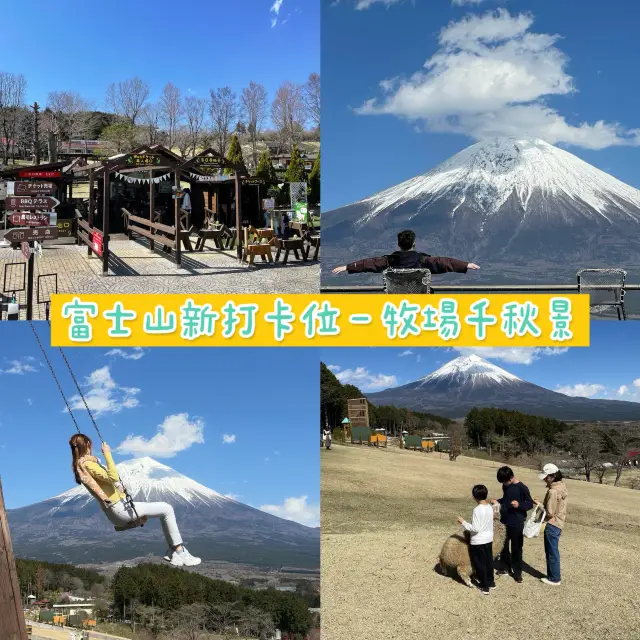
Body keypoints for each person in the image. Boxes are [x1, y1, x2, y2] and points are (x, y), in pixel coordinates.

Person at [69, 433, 201, 567]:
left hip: (114, 514)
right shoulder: (88, 465)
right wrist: (107, 454)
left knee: (164, 510)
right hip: (119, 509)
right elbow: (113, 476)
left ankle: (174, 551)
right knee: (167, 508)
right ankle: (179, 551)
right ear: (88, 445)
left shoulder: (81, 466)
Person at [331, 229, 480, 276]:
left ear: (398, 244)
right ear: (414, 243)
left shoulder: (390, 260)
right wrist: (465, 264)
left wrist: (348, 267)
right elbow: (444, 262)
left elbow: (369, 263)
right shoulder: (422, 260)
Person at [491, 466, 533, 583]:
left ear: (511, 477)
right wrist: (498, 501)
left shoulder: (522, 488)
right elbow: (506, 500)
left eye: (505, 481)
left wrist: (519, 505)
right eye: (502, 482)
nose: (504, 484)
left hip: (517, 522)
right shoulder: (505, 485)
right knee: (503, 546)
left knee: (516, 548)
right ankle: (504, 567)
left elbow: (529, 504)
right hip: (504, 521)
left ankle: (517, 572)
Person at [457, 484, 496, 595]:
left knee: (480, 563)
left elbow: (475, 528)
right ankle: (491, 582)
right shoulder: (489, 507)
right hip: (488, 539)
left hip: (478, 541)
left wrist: (463, 522)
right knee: (488, 561)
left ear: (474, 497)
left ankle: (484, 587)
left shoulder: (477, 510)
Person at [534, 463, 568, 586]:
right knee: (553, 551)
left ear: (553, 476)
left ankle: (554, 578)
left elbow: (549, 512)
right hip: (559, 523)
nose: (544, 479)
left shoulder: (553, 491)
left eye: (546, 476)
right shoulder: (562, 486)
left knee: (551, 551)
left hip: (552, 524)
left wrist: (538, 504)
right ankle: (553, 576)